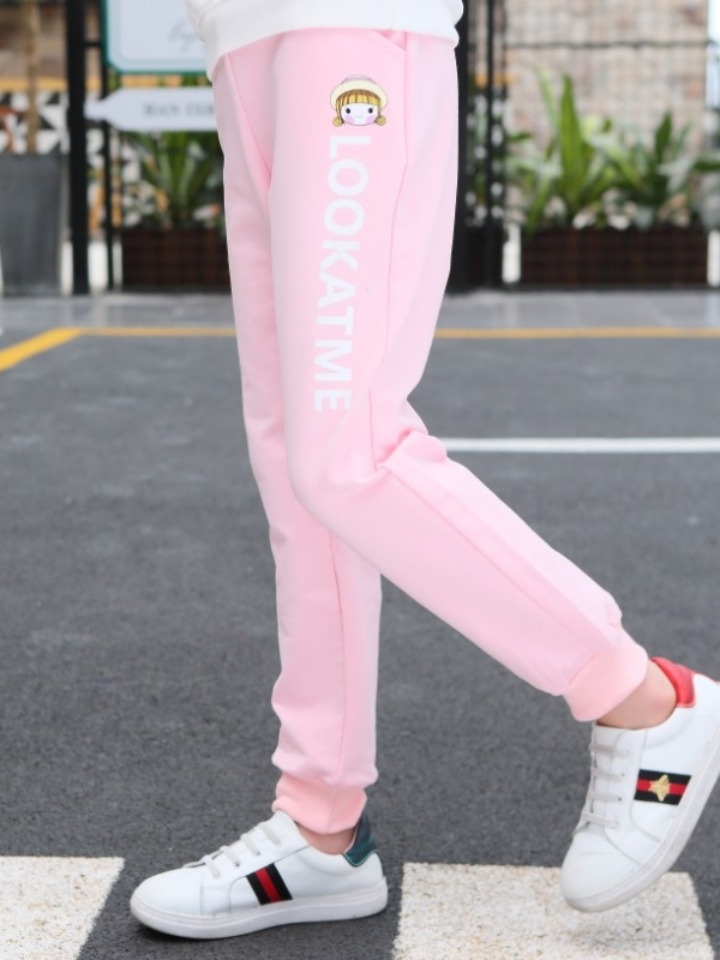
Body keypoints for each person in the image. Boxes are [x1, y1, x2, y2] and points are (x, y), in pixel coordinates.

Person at [130, 0, 720, 939]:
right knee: (297, 472)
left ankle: (644, 700)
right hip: (238, 37)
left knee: (346, 451)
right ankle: (321, 828)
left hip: (351, 24)